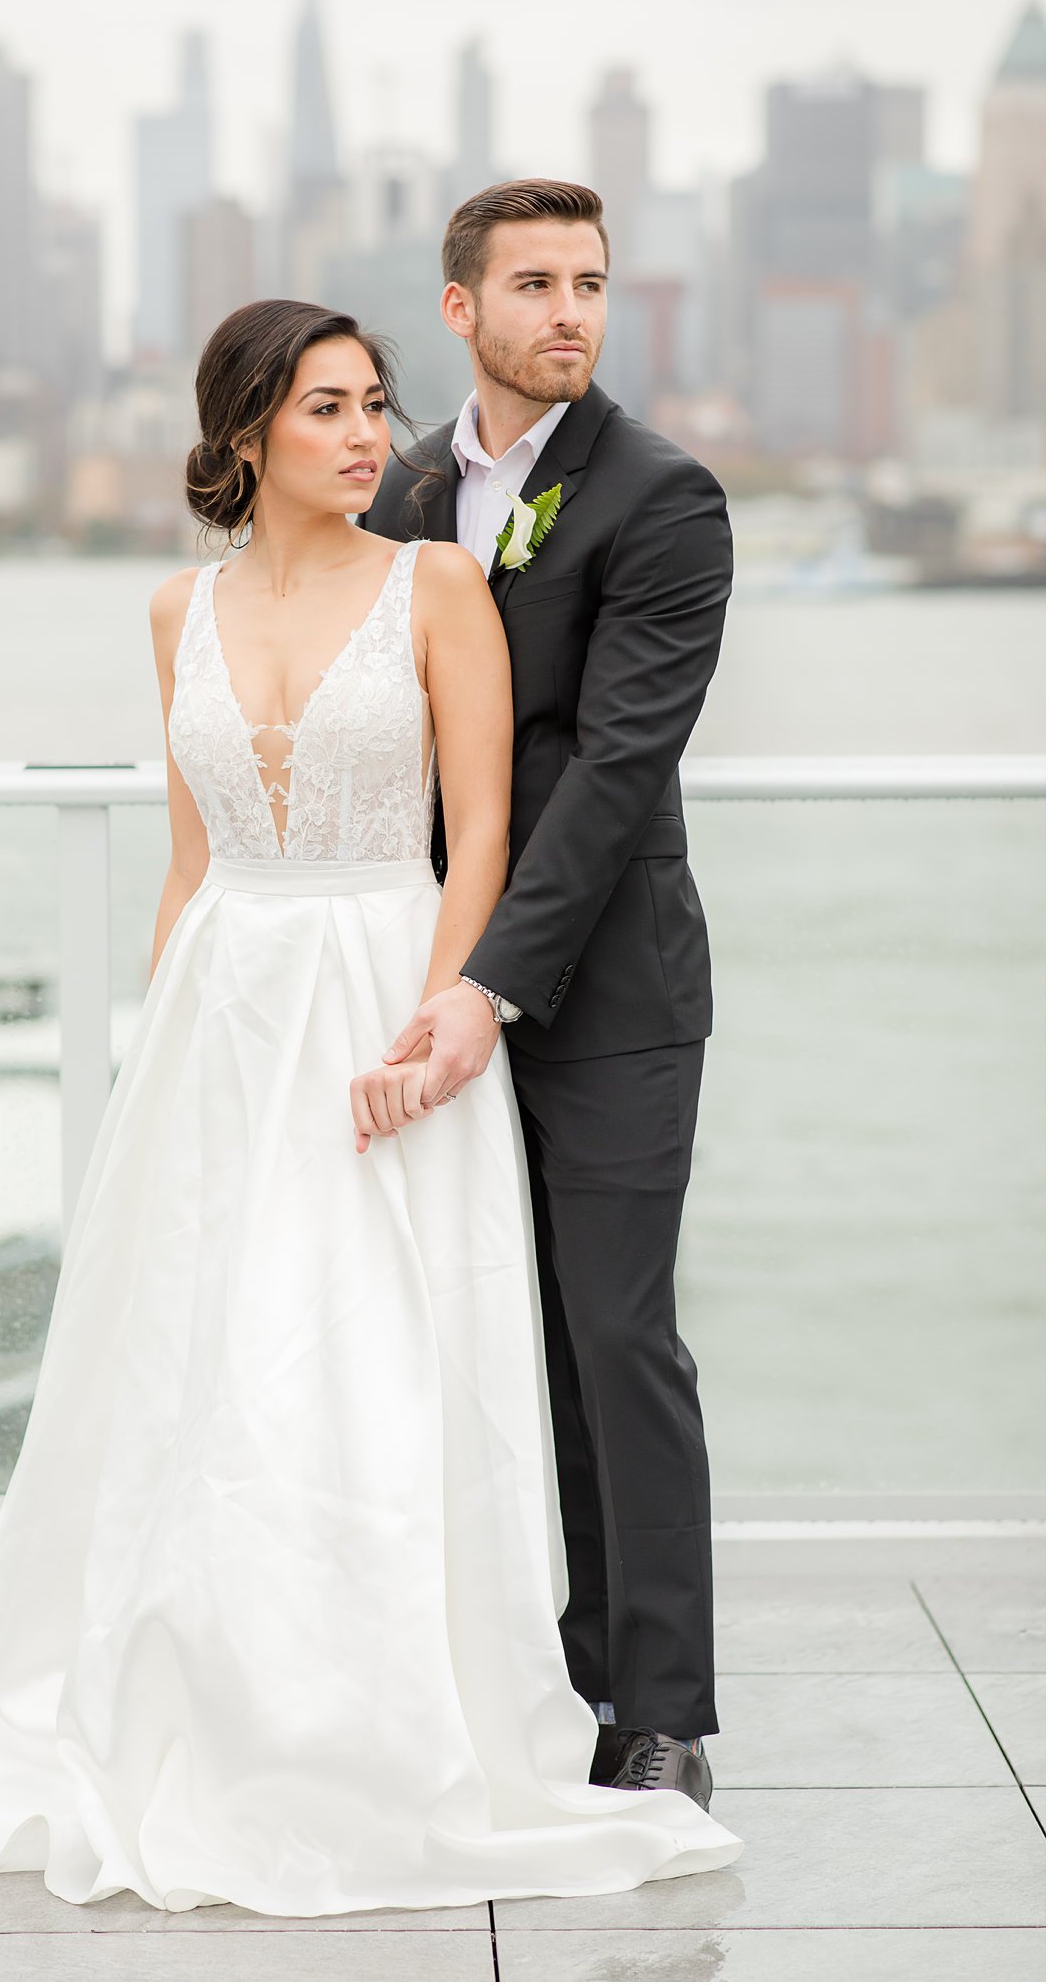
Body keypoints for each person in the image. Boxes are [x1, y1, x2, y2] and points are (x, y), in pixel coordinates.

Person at [0, 297, 741, 1912]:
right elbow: (188, 861)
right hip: (221, 1016)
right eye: (325, 408)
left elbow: (482, 835)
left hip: (390, 990)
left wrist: (445, 1021)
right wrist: (154, 1061)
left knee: (379, 1353)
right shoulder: (176, 611)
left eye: (376, 402)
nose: (367, 433)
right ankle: (204, 1678)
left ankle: (392, 1708)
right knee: (205, 1358)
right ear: (245, 432)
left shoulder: (439, 585)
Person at [360, 178, 733, 1805]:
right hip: (421, 976)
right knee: (454, 1329)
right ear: (462, 309)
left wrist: (490, 988)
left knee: (615, 1336)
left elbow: (606, 772)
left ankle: (653, 1706)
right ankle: (497, 1666)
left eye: (590, 282)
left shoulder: (664, 497)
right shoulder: (405, 485)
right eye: (535, 284)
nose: (571, 310)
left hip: (606, 992)